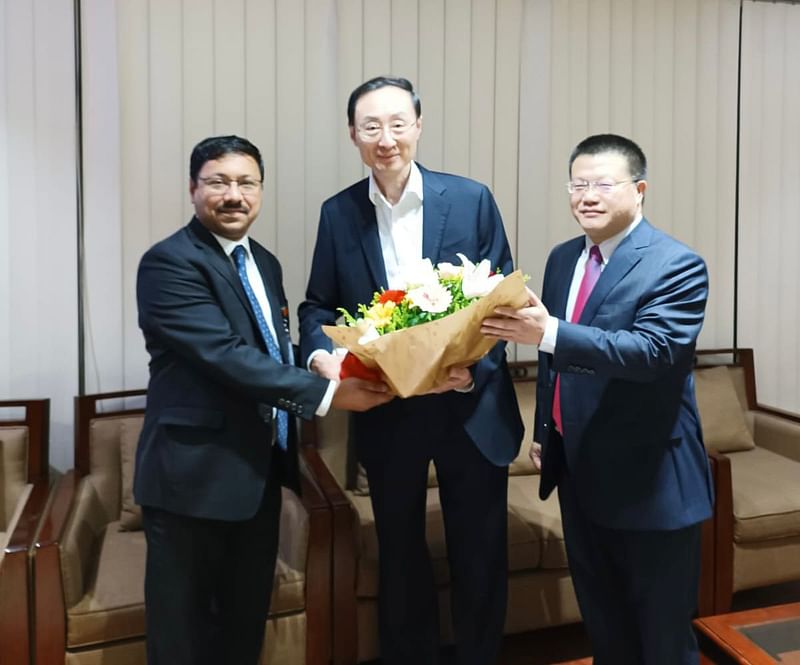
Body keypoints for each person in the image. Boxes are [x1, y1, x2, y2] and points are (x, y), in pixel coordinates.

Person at [134, 135, 393, 665]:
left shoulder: (263, 262)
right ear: (193, 189)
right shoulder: (170, 263)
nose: (234, 195)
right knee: (182, 637)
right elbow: (226, 356)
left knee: (242, 626)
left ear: (261, 190)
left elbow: (271, 350)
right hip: (192, 482)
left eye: (246, 183)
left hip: (257, 477)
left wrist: (328, 360)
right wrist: (328, 394)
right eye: (218, 182)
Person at [298, 77, 523, 665]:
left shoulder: (470, 199)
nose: (386, 138)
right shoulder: (339, 213)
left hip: (469, 406)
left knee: (479, 551)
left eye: (398, 123)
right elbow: (317, 304)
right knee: (399, 553)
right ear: (353, 135)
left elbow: (503, 298)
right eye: (371, 126)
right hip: (386, 407)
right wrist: (321, 356)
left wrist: (470, 366)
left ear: (419, 125)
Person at [482, 133, 713, 665]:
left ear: (639, 190)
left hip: (650, 481)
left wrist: (550, 333)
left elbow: (652, 352)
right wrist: (546, 431)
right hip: (579, 473)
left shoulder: (676, 264)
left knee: (661, 639)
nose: (587, 195)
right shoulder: (565, 258)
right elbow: (552, 360)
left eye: (603, 184)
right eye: (578, 184)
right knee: (605, 629)